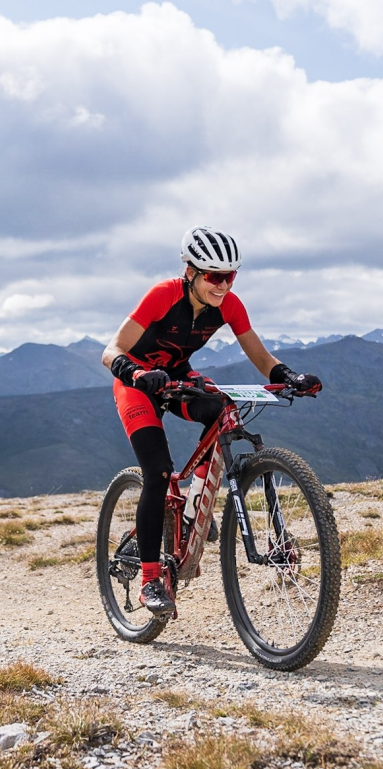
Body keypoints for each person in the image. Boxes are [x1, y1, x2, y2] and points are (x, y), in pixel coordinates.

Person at [102, 226, 322, 617]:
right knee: (157, 472)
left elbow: (260, 355)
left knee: (221, 408)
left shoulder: (229, 305)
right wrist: (133, 372)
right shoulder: (162, 295)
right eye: (214, 276)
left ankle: (191, 510)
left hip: (177, 377)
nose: (223, 285)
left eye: (230, 276)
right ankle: (151, 580)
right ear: (191, 272)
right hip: (137, 382)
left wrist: (289, 377)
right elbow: (112, 350)